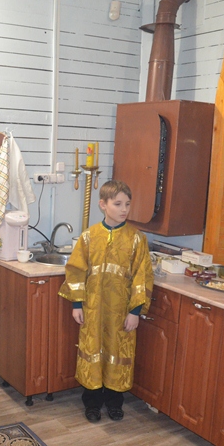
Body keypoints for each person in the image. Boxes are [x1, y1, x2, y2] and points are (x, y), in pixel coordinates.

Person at [58, 179, 154, 423]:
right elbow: (76, 272)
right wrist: (77, 304)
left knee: (117, 353)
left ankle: (114, 402)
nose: (124, 209)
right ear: (103, 204)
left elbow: (142, 276)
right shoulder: (89, 237)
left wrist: (135, 311)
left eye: (127, 204)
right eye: (118, 204)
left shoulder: (136, 239)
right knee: (93, 351)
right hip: (93, 308)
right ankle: (92, 403)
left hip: (122, 311)